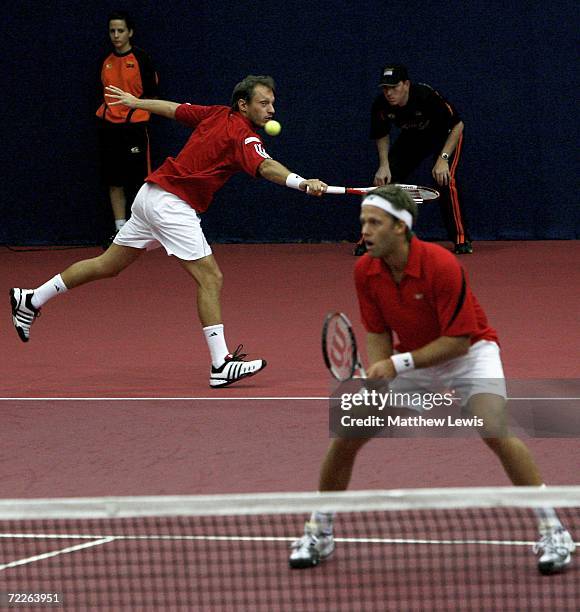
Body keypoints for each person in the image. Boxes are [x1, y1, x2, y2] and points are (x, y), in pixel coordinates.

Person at [290, 185, 574, 574]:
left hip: (470, 353)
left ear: (401, 227)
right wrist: (378, 374)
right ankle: (318, 530)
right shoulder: (366, 270)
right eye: (363, 222)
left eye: (375, 223)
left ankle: (553, 529)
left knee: (494, 426)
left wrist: (396, 364)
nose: (365, 231)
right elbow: (376, 331)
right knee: (347, 435)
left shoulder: (442, 265)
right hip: (412, 360)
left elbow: (457, 342)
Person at [10, 75, 328, 388]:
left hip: (150, 195)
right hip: (172, 205)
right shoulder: (243, 136)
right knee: (210, 277)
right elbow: (267, 166)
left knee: (107, 264)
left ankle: (32, 298)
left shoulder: (216, 114)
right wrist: (302, 182)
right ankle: (221, 363)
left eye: (272, 103)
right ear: (243, 106)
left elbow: (172, 109)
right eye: (264, 103)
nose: (271, 109)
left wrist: (137, 103)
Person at [354, 64, 471, 256]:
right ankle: (370, 240)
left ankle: (461, 239)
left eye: (394, 87)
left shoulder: (426, 97)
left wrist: (443, 159)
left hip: (445, 137)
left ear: (406, 84)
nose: (389, 93)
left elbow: (458, 125)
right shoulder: (380, 105)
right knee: (386, 183)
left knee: (445, 181)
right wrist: (384, 166)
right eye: (385, 88)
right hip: (413, 137)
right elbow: (381, 134)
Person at [97, 11, 158, 243]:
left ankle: (147, 229)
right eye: (112, 31)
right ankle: (120, 230)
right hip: (109, 128)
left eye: (120, 30)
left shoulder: (142, 59)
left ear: (130, 32)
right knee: (114, 180)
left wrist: (135, 112)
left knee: (143, 179)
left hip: (135, 127)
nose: (115, 35)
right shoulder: (106, 62)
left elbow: (152, 93)